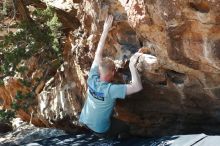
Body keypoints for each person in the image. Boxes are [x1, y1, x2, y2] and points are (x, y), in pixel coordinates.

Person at [79, 15, 143, 138]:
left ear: (99, 70)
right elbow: (137, 87)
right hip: (101, 130)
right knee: (125, 127)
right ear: (113, 73)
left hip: (86, 121)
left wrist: (105, 30)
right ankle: (115, 139)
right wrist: (132, 66)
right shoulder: (111, 90)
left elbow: (98, 53)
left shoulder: (92, 78)